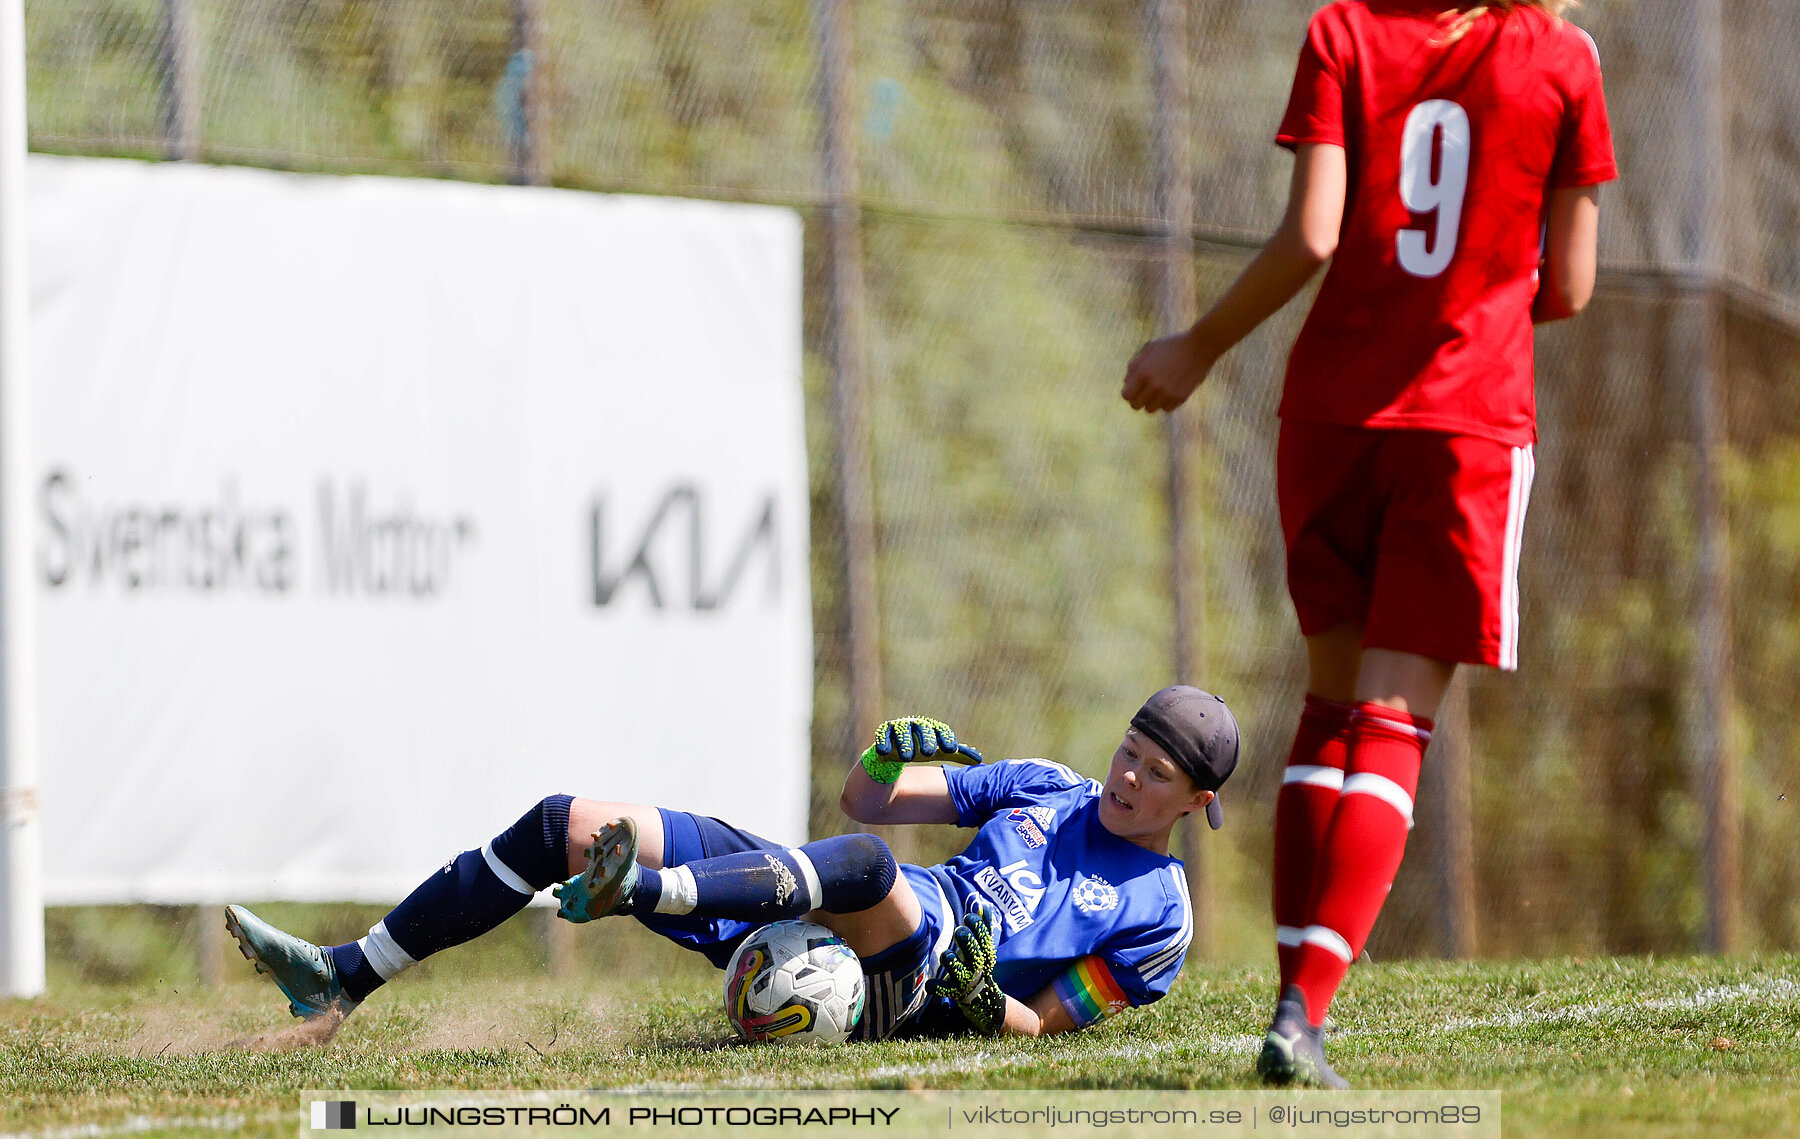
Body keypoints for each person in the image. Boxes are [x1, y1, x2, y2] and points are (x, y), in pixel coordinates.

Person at [1121, 0, 1614, 1089]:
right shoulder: (1563, 58)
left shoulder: (1343, 31)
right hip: (1466, 425)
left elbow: (1314, 233)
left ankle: (1292, 1003)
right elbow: (1571, 288)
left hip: (1332, 415)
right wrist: (1473, 301)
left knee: (1329, 704)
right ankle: (1305, 1010)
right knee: (1393, 721)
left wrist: (1197, 346)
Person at [226, 686, 1238, 1041]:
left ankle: (648, 890)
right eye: (1127, 753)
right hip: (850, 895)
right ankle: (344, 973)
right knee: (565, 819)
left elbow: (1055, 1022)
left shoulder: (1159, 916)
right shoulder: (1049, 784)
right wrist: (889, 753)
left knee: (872, 868)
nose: (1125, 778)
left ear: (1196, 804)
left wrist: (984, 1000)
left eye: (1153, 777)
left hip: (917, 985)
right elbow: (869, 802)